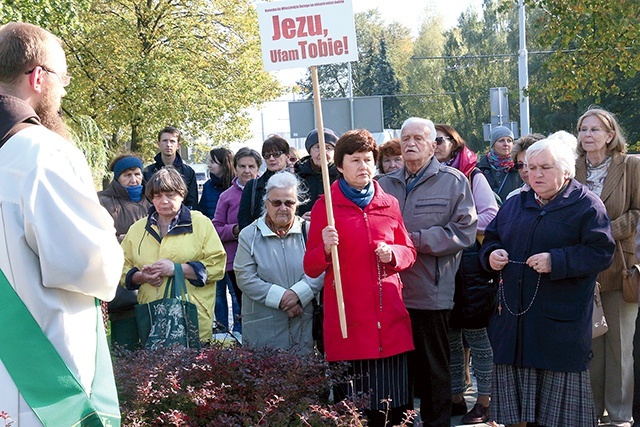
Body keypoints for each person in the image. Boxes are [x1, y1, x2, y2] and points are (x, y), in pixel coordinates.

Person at [0, 22, 124, 425]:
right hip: (40, 384)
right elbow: (92, 266)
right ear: (38, 76)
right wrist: (103, 228)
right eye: (62, 76)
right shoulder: (40, 151)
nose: (65, 88)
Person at [479, 137, 615, 427]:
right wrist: (491, 255)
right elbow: (490, 239)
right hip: (514, 327)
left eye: (545, 168)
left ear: (565, 171)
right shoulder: (516, 202)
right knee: (516, 418)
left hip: (558, 329)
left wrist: (557, 261)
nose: (535, 175)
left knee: (557, 420)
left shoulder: (586, 205)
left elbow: (601, 252)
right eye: (529, 168)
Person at [304, 129, 417, 427]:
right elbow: (310, 267)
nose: (363, 166)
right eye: (355, 160)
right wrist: (326, 248)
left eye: (368, 159)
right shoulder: (324, 207)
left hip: (389, 321)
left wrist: (392, 253)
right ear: (339, 165)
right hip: (349, 324)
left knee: (394, 408)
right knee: (354, 412)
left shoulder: (389, 203)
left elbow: (409, 251)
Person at [378, 117, 477, 427]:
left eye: (418, 138)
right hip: (390, 291)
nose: (410, 143)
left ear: (434, 145)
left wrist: (412, 241)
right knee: (395, 369)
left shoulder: (453, 181)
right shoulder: (384, 183)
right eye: (405, 137)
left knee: (434, 367)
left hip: (430, 290)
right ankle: (400, 423)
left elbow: (464, 231)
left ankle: (437, 423)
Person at [575, 108, 640, 427]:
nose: (587, 135)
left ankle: (619, 415)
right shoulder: (572, 169)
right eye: (583, 129)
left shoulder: (631, 165)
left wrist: (603, 233)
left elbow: (638, 211)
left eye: (594, 130)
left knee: (619, 347)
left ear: (611, 135)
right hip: (583, 269)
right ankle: (591, 411)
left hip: (621, 267)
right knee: (591, 345)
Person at [434, 123, 498, 424]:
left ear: (454, 143)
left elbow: (489, 215)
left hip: (471, 264)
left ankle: (485, 400)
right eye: (429, 141)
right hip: (442, 265)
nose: (434, 145)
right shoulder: (428, 177)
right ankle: (457, 396)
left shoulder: (473, 173)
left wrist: (455, 228)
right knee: (451, 336)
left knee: (478, 336)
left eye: (440, 140)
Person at [120, 166, 227, 343]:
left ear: (182, 195)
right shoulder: (137, 229)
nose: (164, 201)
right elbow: (122, 268)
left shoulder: (201, 223)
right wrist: (142, 276)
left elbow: (217, 266)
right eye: (158, 196)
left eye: (170, 195)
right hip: (153, 318)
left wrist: (177, 269)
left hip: (193, 317)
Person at [234, 172, 323, 354]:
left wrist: (298, 294)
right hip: (263, 327)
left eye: (289, 202)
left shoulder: (310, 231)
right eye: (276, 203)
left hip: (302, 324)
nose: (283, 208)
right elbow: (245, 277)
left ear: (297, 204)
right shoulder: (249, 235)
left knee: (303, 377)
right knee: (264, 376)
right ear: (266, 203)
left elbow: (320, 269)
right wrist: (283, 299)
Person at [98, 152, 152, 349]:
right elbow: (99, 236)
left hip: (151, 275)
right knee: (125, 344)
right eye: (127, 175)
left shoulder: (152, 199)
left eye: (137, 174)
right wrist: (128, 240)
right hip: (122, 280)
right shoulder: (103, 201)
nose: (133, 179)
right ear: (117, 178)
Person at [213, 147, 262, 337]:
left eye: (251, 166)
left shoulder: (266, 191)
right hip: (235, 260)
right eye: (242, 166)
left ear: (258, 168)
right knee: (240, 305)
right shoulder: (226, 196)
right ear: (235, 168)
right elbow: (215, 228)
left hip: (263, 258)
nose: (247, 171)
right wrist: (235, 230)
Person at [238, 134, 290, 230]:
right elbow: (243, 222)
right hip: (259, 240)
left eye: (276, 154)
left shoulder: (298, 184)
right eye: (267, 155)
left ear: (287, 157)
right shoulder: (253, 186)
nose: (271, 159)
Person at [143, 126, 198, 208]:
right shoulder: (147, 172)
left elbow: (192, 203)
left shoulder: (188, 172)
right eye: (165, 141)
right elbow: (145, 200)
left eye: (172, 141)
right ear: (158, 144)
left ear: (178, 145)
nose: (168, 145)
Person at [295, 128, 339, 219]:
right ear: (310, 151)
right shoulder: (297, 176)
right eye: (318, 147)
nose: (323, 152)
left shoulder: (342, 176)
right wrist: (299, 219)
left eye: (328, 148)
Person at [477, 125, 522, 203]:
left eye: (509, 140)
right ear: (493, 145)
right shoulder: (480, 168)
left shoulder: (519, 167)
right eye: (501, 140)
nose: (506, 144)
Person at [504, 133, 546, 200]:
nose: (524, 170)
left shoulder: (566, 198)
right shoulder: (513, 198)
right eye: (520, 165)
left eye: (530, 164)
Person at [196, 147, 234, 219]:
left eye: (212, 162)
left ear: (223, 164)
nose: (209, 165)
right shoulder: (207, 186)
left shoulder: (235, 185)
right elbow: (202, 212)